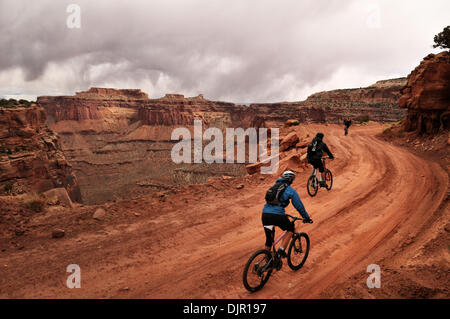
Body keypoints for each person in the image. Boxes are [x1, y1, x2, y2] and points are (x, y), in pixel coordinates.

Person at [262, 170, 313, 259]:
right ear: (291, 180)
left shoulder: (274, 186)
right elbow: (298, 205)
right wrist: (306, 217)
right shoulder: (290, 190)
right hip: (277, 215)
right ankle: (281, 251)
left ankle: (266, 265)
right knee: (291, 229)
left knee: (269, 241)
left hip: (265, 215)